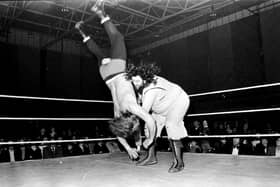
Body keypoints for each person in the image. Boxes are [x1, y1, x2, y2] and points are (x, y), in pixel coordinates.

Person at [74, 1, 155, 160]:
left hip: (117, 71)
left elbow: (150, 121)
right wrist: (131, 148)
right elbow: (118, 132)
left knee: (117, 38)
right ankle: (81, 31)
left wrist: (150, 139)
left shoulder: (131, 107)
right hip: (105, 75)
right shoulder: (117, 113)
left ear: (131, 120)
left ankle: (100, 12)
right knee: (98, 54)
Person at [126, 62, 190, 173]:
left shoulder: (151, 90)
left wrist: (127, 124)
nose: (134, 84)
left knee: (172, 126)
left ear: (144, 79)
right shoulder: (142, 83)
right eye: (133, 81)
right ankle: (151, 157)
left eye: (137, 81)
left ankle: (179, 162)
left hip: (178, 102)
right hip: (161, 105)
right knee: (149, 126)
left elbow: (143, 113)